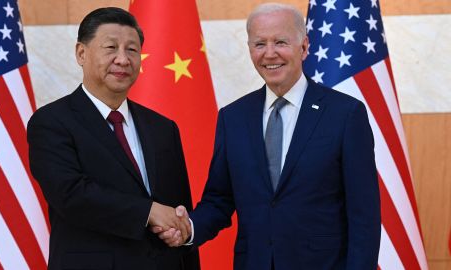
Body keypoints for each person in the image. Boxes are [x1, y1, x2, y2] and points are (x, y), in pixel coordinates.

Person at [154, 3, 381, 270]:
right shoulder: (233, 117)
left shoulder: (345, 114)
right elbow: (219, 199)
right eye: (259, 44)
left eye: (281, 42)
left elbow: (363, 215)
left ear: (304, 47)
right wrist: (187, 228)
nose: (269, 54)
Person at [27, 7, 199, 270]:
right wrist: (148, 212)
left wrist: (181, 233)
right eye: (111, 47)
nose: (123, 59)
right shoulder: (51, 122)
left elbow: (179, 210)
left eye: (132, 50)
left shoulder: (163, 128)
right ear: (81, 53)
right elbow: (70, 196)